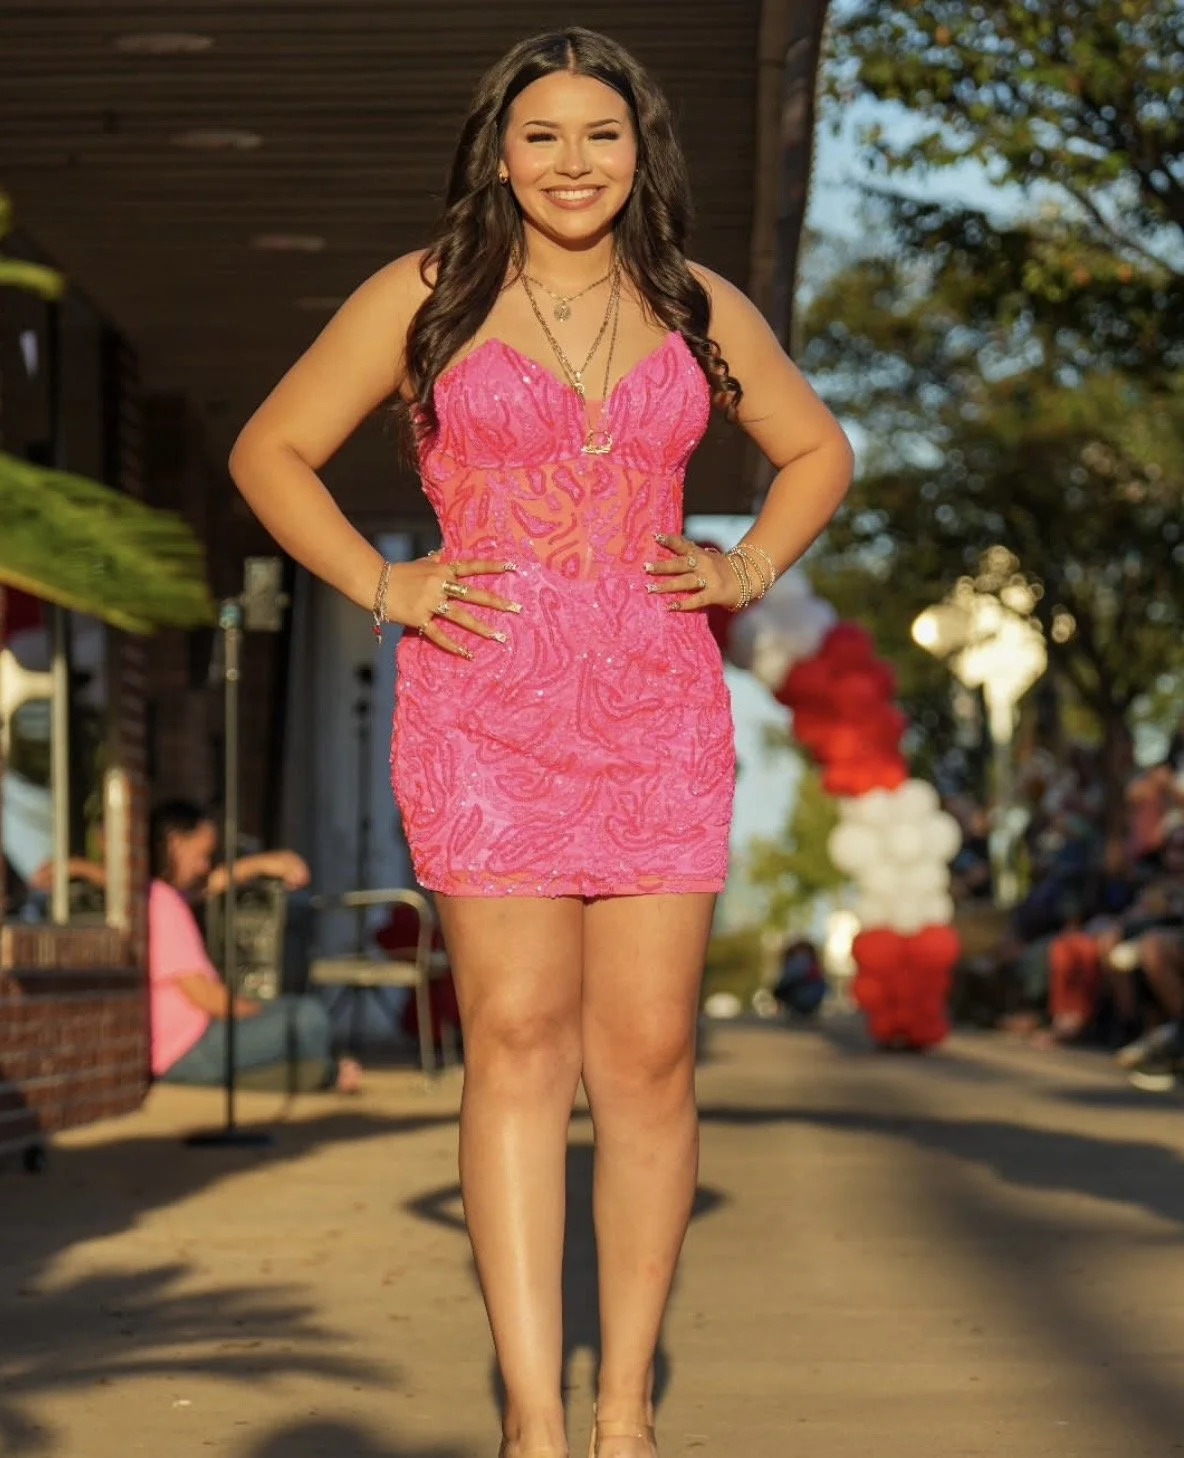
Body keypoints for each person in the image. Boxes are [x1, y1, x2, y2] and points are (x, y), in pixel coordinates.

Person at [228, 29, 852, 1458]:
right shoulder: (425, 294)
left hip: (657, 706)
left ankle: (624, 1409)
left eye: (603, 136)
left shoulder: (696, 304)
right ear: (498, 153)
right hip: (482, 706)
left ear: (642, 155)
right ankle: (532, 1419)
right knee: (513, 1040)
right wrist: (385, 585)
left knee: (645, 1056)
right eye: (545, 136)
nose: (574, 163)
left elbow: (818, 448)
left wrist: (748, 567)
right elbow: (269, 450)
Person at [147, 800, 361, 1093]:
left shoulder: (159, 896)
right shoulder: (164, 904)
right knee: (309, 1017)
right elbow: (206, 996)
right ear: (175, 844)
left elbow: (212, 883)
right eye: (202, 855)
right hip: (189, 1046)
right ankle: (321, 1070)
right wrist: (258, 1013)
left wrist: (264, 863)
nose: (205, 866)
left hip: (184, 1046)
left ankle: (319, 1072)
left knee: (298, 1018)